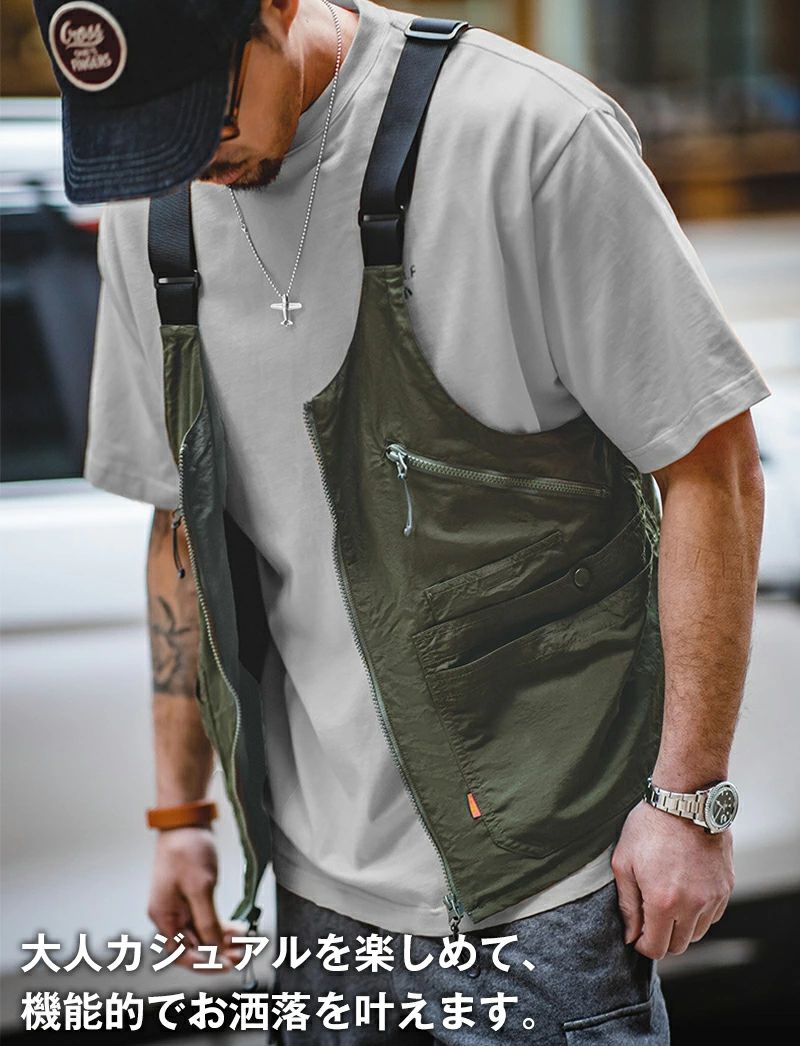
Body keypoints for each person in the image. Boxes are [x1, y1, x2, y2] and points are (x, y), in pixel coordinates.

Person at [34, 0, 771, 1042]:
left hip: (546, 884)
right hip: (317, 890)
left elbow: (711, 467)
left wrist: (689, 798)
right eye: (143, 129)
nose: (186, 156)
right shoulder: (153, 208)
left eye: (201, 109)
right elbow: (182, 530)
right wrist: (180, 813)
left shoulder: (523, 135)